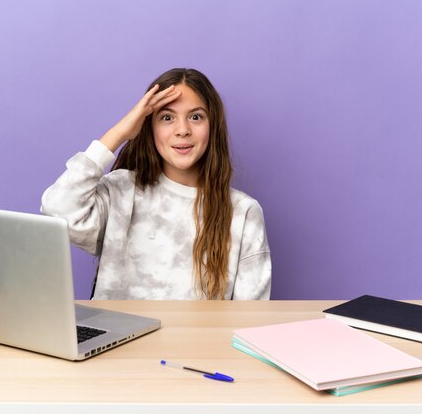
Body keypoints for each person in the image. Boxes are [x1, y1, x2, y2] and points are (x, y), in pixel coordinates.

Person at [41, 68, 271, 300]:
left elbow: (251, 316)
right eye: (167, 118)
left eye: (196, 117)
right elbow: (58, 210)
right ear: (148, 126)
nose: (182, 130)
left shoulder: (243, 212)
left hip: (201, 338)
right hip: (119, 336)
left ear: (213, 127)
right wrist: (119, 133)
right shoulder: (122, 190)